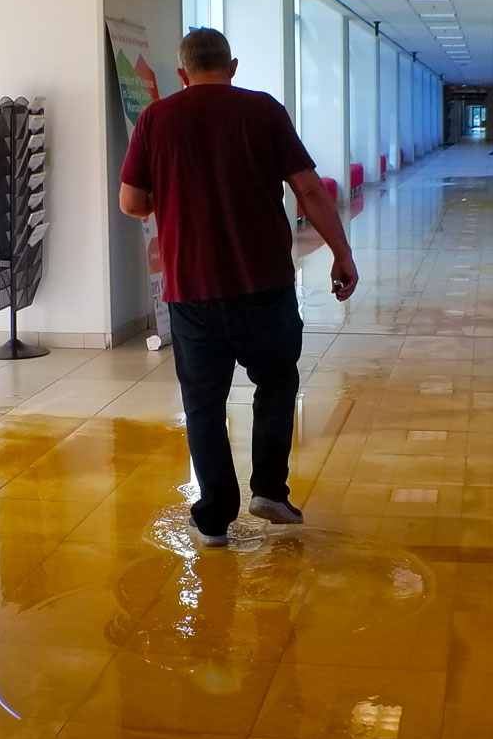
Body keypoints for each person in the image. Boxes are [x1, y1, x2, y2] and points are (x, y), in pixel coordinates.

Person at [118, 28, 358, 548]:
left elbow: (132, 202)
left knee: (204, 403)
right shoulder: (263, 111)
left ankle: (215, 518)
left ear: (182, 74)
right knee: (276, 381)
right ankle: (269, 489)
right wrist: (342, 252)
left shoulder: (155, 119)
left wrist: (178, 198)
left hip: (192, 290)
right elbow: (309, 189)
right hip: (264, 284)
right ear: (232, 66)